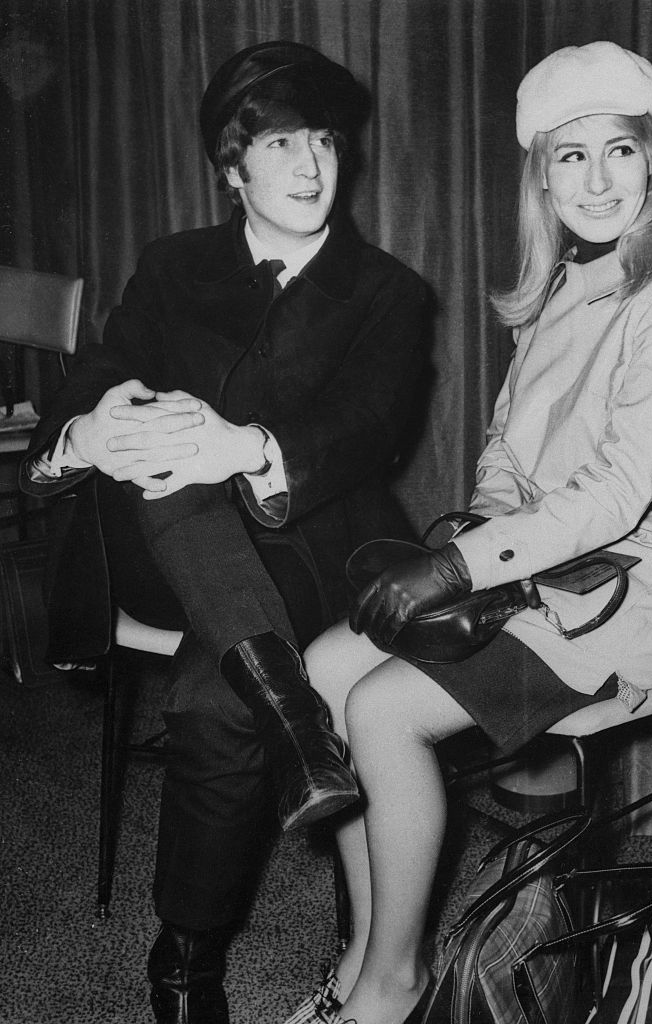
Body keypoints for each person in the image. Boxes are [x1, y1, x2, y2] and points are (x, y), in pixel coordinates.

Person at [284, 40, 652, 1024]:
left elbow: (618, 494)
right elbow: (504, 457)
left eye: (617, 151)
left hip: (643, 587)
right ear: (541, 178)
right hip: (547, 572)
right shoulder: (558, 295)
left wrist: (460, 564)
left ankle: (388, 989)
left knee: (383, 711)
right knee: (324, 669)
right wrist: (475, 556)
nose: (595, 178)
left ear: (650, 163)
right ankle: (368, 948)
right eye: (568, 157)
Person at [20, 41, 426, 1024]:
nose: (311, 165)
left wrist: (239, 444)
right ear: (233, 167)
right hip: (169, 553)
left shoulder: (387, 291)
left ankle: (184, 968)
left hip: (311, 557)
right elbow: (86, 382)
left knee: (210, 697)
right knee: (159, 446)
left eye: (323, 140)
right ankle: (297, 725)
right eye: (282, 143)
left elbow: (368, 430)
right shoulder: (172, 266)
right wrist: (94, 425)